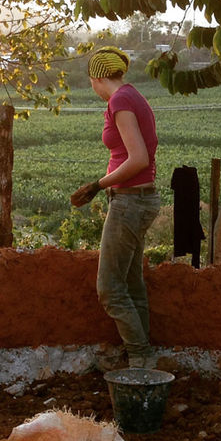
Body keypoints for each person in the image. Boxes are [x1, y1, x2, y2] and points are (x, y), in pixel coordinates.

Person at [70, 45, 161, 368]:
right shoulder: (133, 95)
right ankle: (143, 361)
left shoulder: (119, 100)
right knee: (131, 283)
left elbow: (138, 159)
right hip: (140, 199)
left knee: (109, 288)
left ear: (96, 78)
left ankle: (140, 358)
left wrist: (97, 185)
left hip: (130, 201)